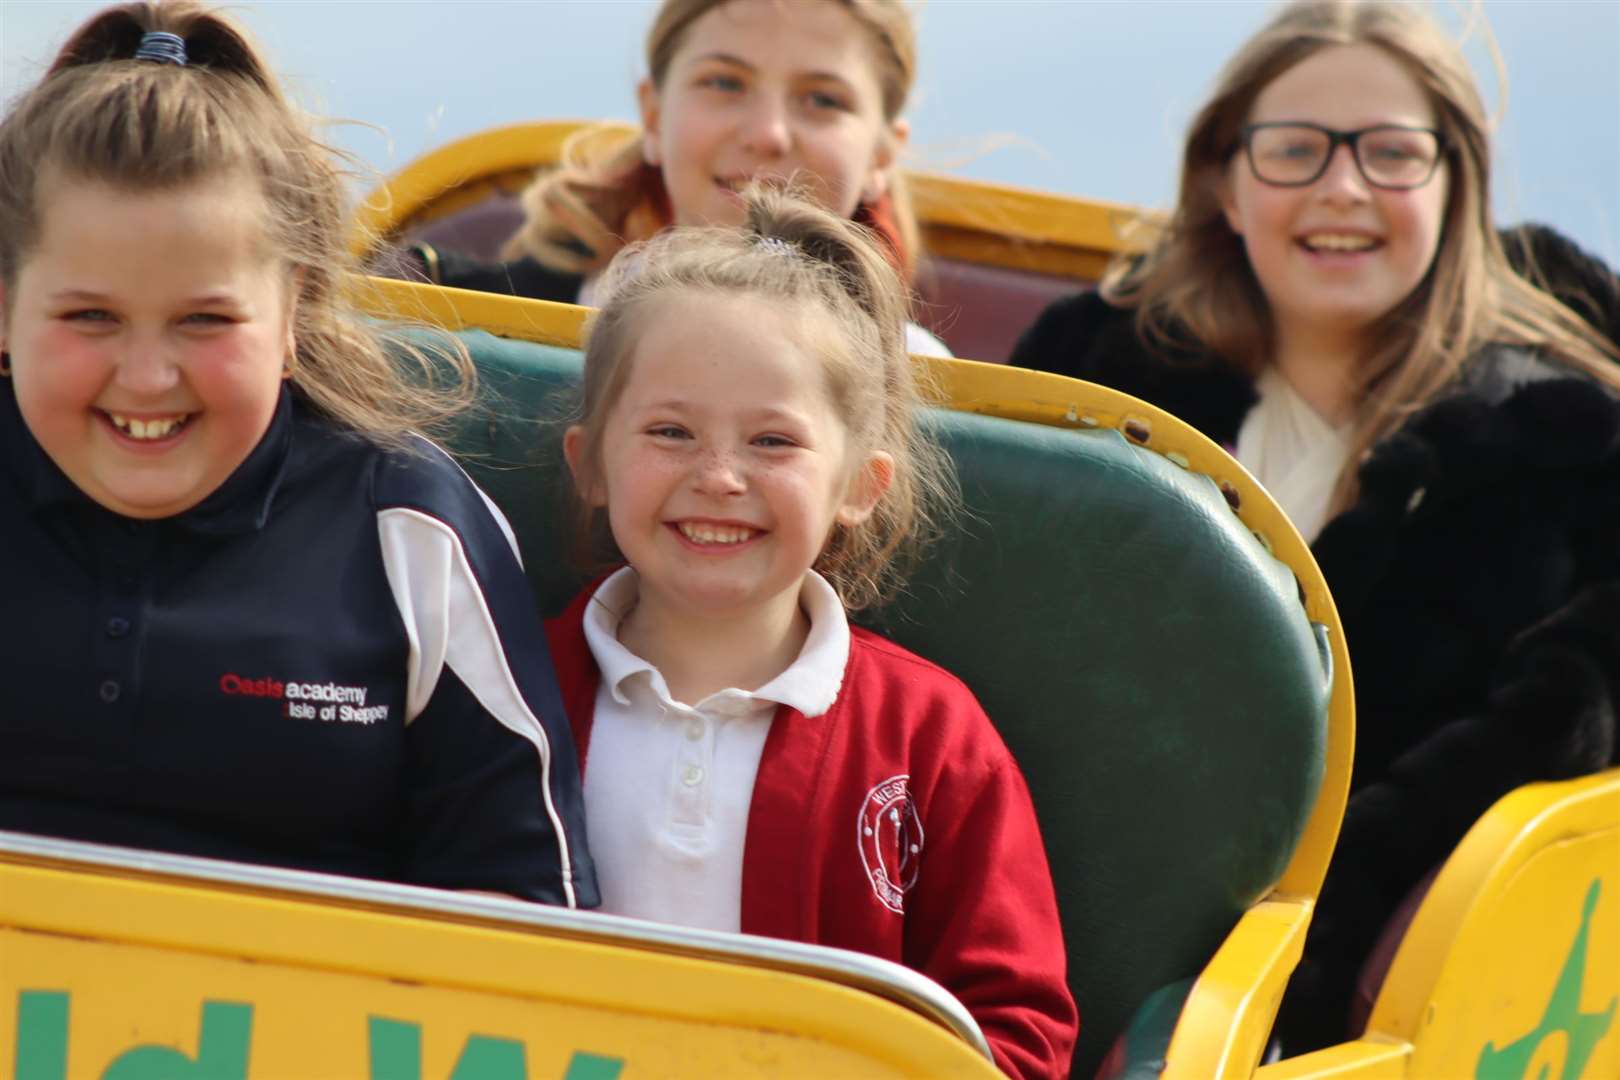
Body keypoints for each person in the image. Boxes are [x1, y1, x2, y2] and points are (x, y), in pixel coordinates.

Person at [1009, 0, 1620, 1053]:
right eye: (1295, 151)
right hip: (1054, 940)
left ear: (1454, 188)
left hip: (1381, 1000)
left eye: (1391, 154)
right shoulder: (1087, 392)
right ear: (1226, 185)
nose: (1343, 189)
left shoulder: (1562, 449)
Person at [0, 2, 598, 908]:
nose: (150, 375)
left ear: (294, 313)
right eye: (91, 317)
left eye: (206, 319)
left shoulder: (412, 532)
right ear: (5, 310)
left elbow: (532, 915)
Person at [543, 187, 1076, 1077]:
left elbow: (1014, 1028)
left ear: (861, 486)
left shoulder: (934, 738)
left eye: (773, 443)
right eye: (670, 431)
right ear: (590, 463)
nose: (718, 477)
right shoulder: (505, 691)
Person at [407, 0, 952, 358]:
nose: (768, 134)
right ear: (651, 115)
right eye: (723, 82)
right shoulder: (448, 322)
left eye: (823, 99)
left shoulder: (924, 381)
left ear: (882, 154)